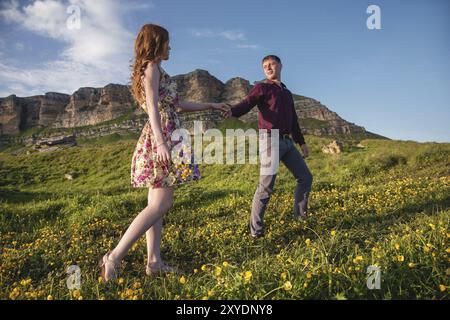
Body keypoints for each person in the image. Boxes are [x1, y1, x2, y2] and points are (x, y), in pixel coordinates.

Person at [99, 24, 229, 281]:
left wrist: (211, 104)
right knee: (161, 204)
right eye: (167, 42)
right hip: (163, 136)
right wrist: (160, 143)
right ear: (156, 42)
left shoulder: (154, 69)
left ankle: (154, 261)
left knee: (155, 205)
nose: (170, 47)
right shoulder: (151, 68)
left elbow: (177, 105)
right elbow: (153, 108)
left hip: (167, 133)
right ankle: (113, 258)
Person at [223, 55, 313, 239]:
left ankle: (301, 218)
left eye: (271, 64)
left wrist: (301, 142)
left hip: (288, 142)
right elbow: (247, 103)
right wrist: (231, 111)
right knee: (266, 186)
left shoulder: (287, 93)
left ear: (280, 65)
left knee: (305, 177)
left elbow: (293, 120)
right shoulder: (262, 88)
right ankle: (256, 232)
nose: (268, 68)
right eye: (265, 66)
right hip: (270, 140)